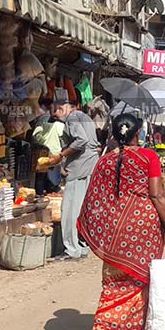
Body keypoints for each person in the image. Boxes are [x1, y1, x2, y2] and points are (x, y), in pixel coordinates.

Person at [77, 113, 165, 330]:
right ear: (137, 133)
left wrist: (90, 226)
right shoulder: (148, 157)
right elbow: (157, 195)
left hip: (114, 229)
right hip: (145, 229)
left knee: (114, 280)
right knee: (139, 279)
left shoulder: (104, 160)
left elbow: (94, 198)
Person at [47, 91, 100, 260]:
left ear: (61, 108)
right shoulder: (83, 116)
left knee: (69, 210)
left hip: (79, 169)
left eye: (55, 114)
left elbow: (81, 140)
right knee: (81, 210)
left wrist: (61, 155)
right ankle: (81, 246)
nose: (55, 118)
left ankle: (72, 250)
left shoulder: (72, 118)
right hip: (88, 166)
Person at [32, 97, 64, 195]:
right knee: (53, 181)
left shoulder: (41, 120)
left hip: (43, 153)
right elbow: (64, 140)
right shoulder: (59, 125)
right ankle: (50, 192)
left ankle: (40, 195)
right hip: (54, 154)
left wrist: (41, 144)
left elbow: (35, 136)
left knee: (41, 177)